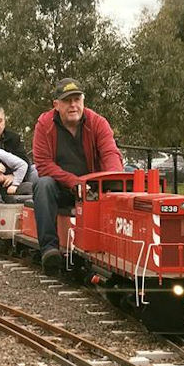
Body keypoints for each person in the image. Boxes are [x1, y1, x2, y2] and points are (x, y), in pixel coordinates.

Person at [33, 78, 123, 272]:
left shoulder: (98, 122)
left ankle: (115, 246)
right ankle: (49, 249)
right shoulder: (44, 124)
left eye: (77, 99)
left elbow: (110, 153)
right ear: (56, 105)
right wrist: (75, 183)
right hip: (62, 188)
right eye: (67, 101)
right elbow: (43, 164)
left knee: (125, 178)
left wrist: (114, 181)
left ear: (83, 101)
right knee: (42, 185)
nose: (73, 105)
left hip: (92, 189)